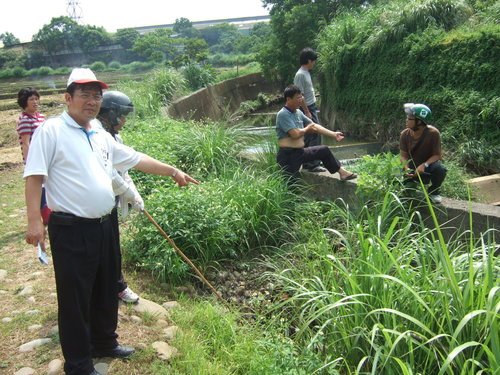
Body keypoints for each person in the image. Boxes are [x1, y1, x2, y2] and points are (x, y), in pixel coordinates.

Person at [23, 68, 199, 375]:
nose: (92, 101)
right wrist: (34, 221)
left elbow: (134, 158)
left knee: (106, 287)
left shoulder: (100, 135)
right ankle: (78, 364)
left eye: (97, 95)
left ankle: (105, 341)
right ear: (68, 98)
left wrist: (172, 170)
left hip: (105, 224)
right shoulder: (51, 131)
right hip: (71, 228)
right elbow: (34, 177)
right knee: (75, 298)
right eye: (85, 95)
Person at [97, 91, 141, 304]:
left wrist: (134, 192)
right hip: (96, 202)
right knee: (104, 247)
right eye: (121, 115)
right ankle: (113, 287)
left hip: (110, 201)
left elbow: (122, 169)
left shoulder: (116, 136)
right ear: (110, 114)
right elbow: (109, 172)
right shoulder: (94, 135)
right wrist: (127, 192)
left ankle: (116, 285)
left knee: (113, 246)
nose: (124, 120)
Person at [276, 85, 357, 183]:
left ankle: (342, 173)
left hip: (300, 152)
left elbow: (314, 126)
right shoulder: (283, 114)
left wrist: (333, 134)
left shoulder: (298, 112)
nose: (301, 100)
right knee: (291, 186)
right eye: (298, 98)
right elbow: (295, 134)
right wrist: (307, 129)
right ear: (288, 99)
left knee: (324, 150)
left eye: (301, 97)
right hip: (287, 156)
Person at [16, 87, 51, 226]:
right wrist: (30, 162)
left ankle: (48, 213)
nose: (35, 102)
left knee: (47, 185)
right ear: (25, 101)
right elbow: (25, 143)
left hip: (45, 156)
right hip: (35, 158)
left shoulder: (41, 117)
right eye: (32, 99)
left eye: (37, 99)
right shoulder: (24, 120)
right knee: (38, 187)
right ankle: (44, 215)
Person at [400, 103, 447, 203]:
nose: (406, 120)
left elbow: (437, 155)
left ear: (419, 121)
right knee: (404, 189)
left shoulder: (433, 133)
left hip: (427, 167)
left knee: (440, 170)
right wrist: (406, 168)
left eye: (410, 118)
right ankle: (408, 189)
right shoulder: (404, 134)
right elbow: (403, 155)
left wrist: (424, 165)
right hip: (411, 167)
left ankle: (434, 193)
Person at [293, 47, 324, 172]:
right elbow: (299, 95)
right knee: (315, 134)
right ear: (309, 60)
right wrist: (306, 111)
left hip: (311, 107)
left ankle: (307, 161)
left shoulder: (306, 72)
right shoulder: (300, 74)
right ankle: (312, 164)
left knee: (310, 135)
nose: (314, 63)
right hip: (307, 108)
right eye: (313, 61)